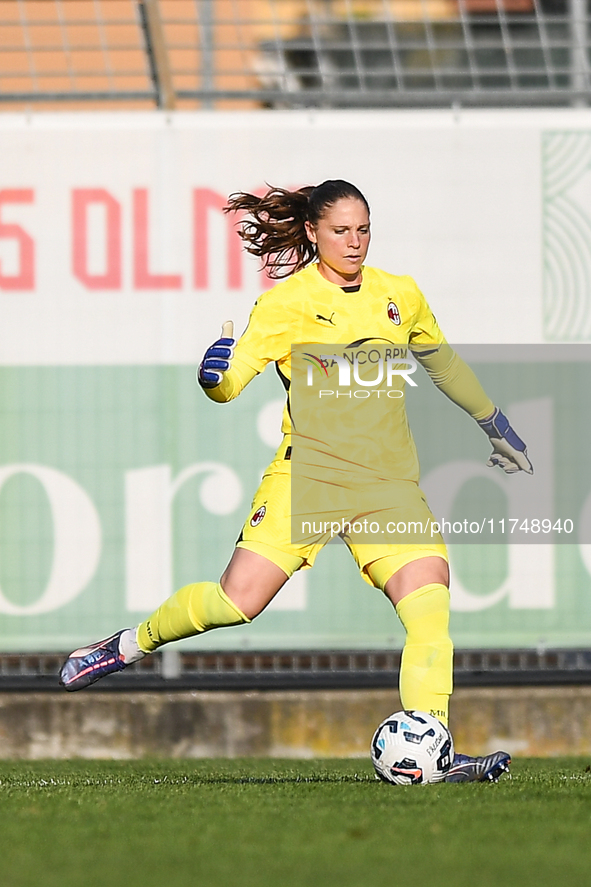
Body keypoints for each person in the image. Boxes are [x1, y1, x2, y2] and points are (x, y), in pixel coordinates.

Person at [60, 180, 532, 783]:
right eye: (341, 231)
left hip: (386, 486)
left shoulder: (399, 294)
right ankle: (126, 646)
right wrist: (212, 374)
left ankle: (431, 749)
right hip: (308, 477)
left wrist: (493, 422)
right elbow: (230, 383)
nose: (355, 242)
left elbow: (442, 361)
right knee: (236, 603)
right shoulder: (286, 303)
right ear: (312, 232)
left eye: (363, 229)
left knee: (430, 611)